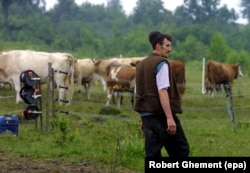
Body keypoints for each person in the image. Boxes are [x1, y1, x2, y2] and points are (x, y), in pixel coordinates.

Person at [134, 31, 189, 157]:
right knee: (181, 150)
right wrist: (169, 118)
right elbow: (162, 91)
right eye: (167, 45)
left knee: (153, 153)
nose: (170, 49)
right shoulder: (161, 64)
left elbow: (138, 92)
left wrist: (143, 118)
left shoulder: (141, 65)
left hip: (146, 117)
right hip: (161, 116)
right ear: (158, 46)